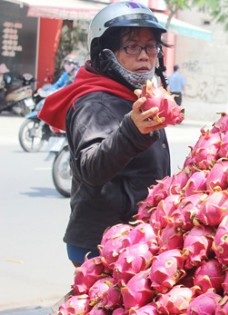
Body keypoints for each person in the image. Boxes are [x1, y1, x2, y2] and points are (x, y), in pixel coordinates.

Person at [39, 1, 171, 267]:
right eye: (132, 46)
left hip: (134, 236)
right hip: (103, 242)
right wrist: (132, 131)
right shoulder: (93, 103)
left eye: (151, 46)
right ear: (104, 52)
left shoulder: (137, 97)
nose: (145, 56)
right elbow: (90, 168)